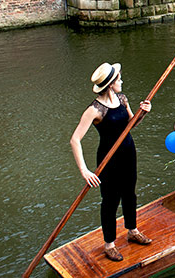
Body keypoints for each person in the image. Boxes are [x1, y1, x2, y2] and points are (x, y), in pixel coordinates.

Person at [70, 62, 153, 262]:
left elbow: (131, 125)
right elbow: (75, 140)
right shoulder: (95, 110)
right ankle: (109, 245)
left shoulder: (122, 99)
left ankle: (132, 230)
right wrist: (84, 170)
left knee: (130, 194)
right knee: (110, 201)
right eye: (119, 79)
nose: (122, 81)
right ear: (110, 84)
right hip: (108, 160)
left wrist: (143, 113)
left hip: (128, 153)